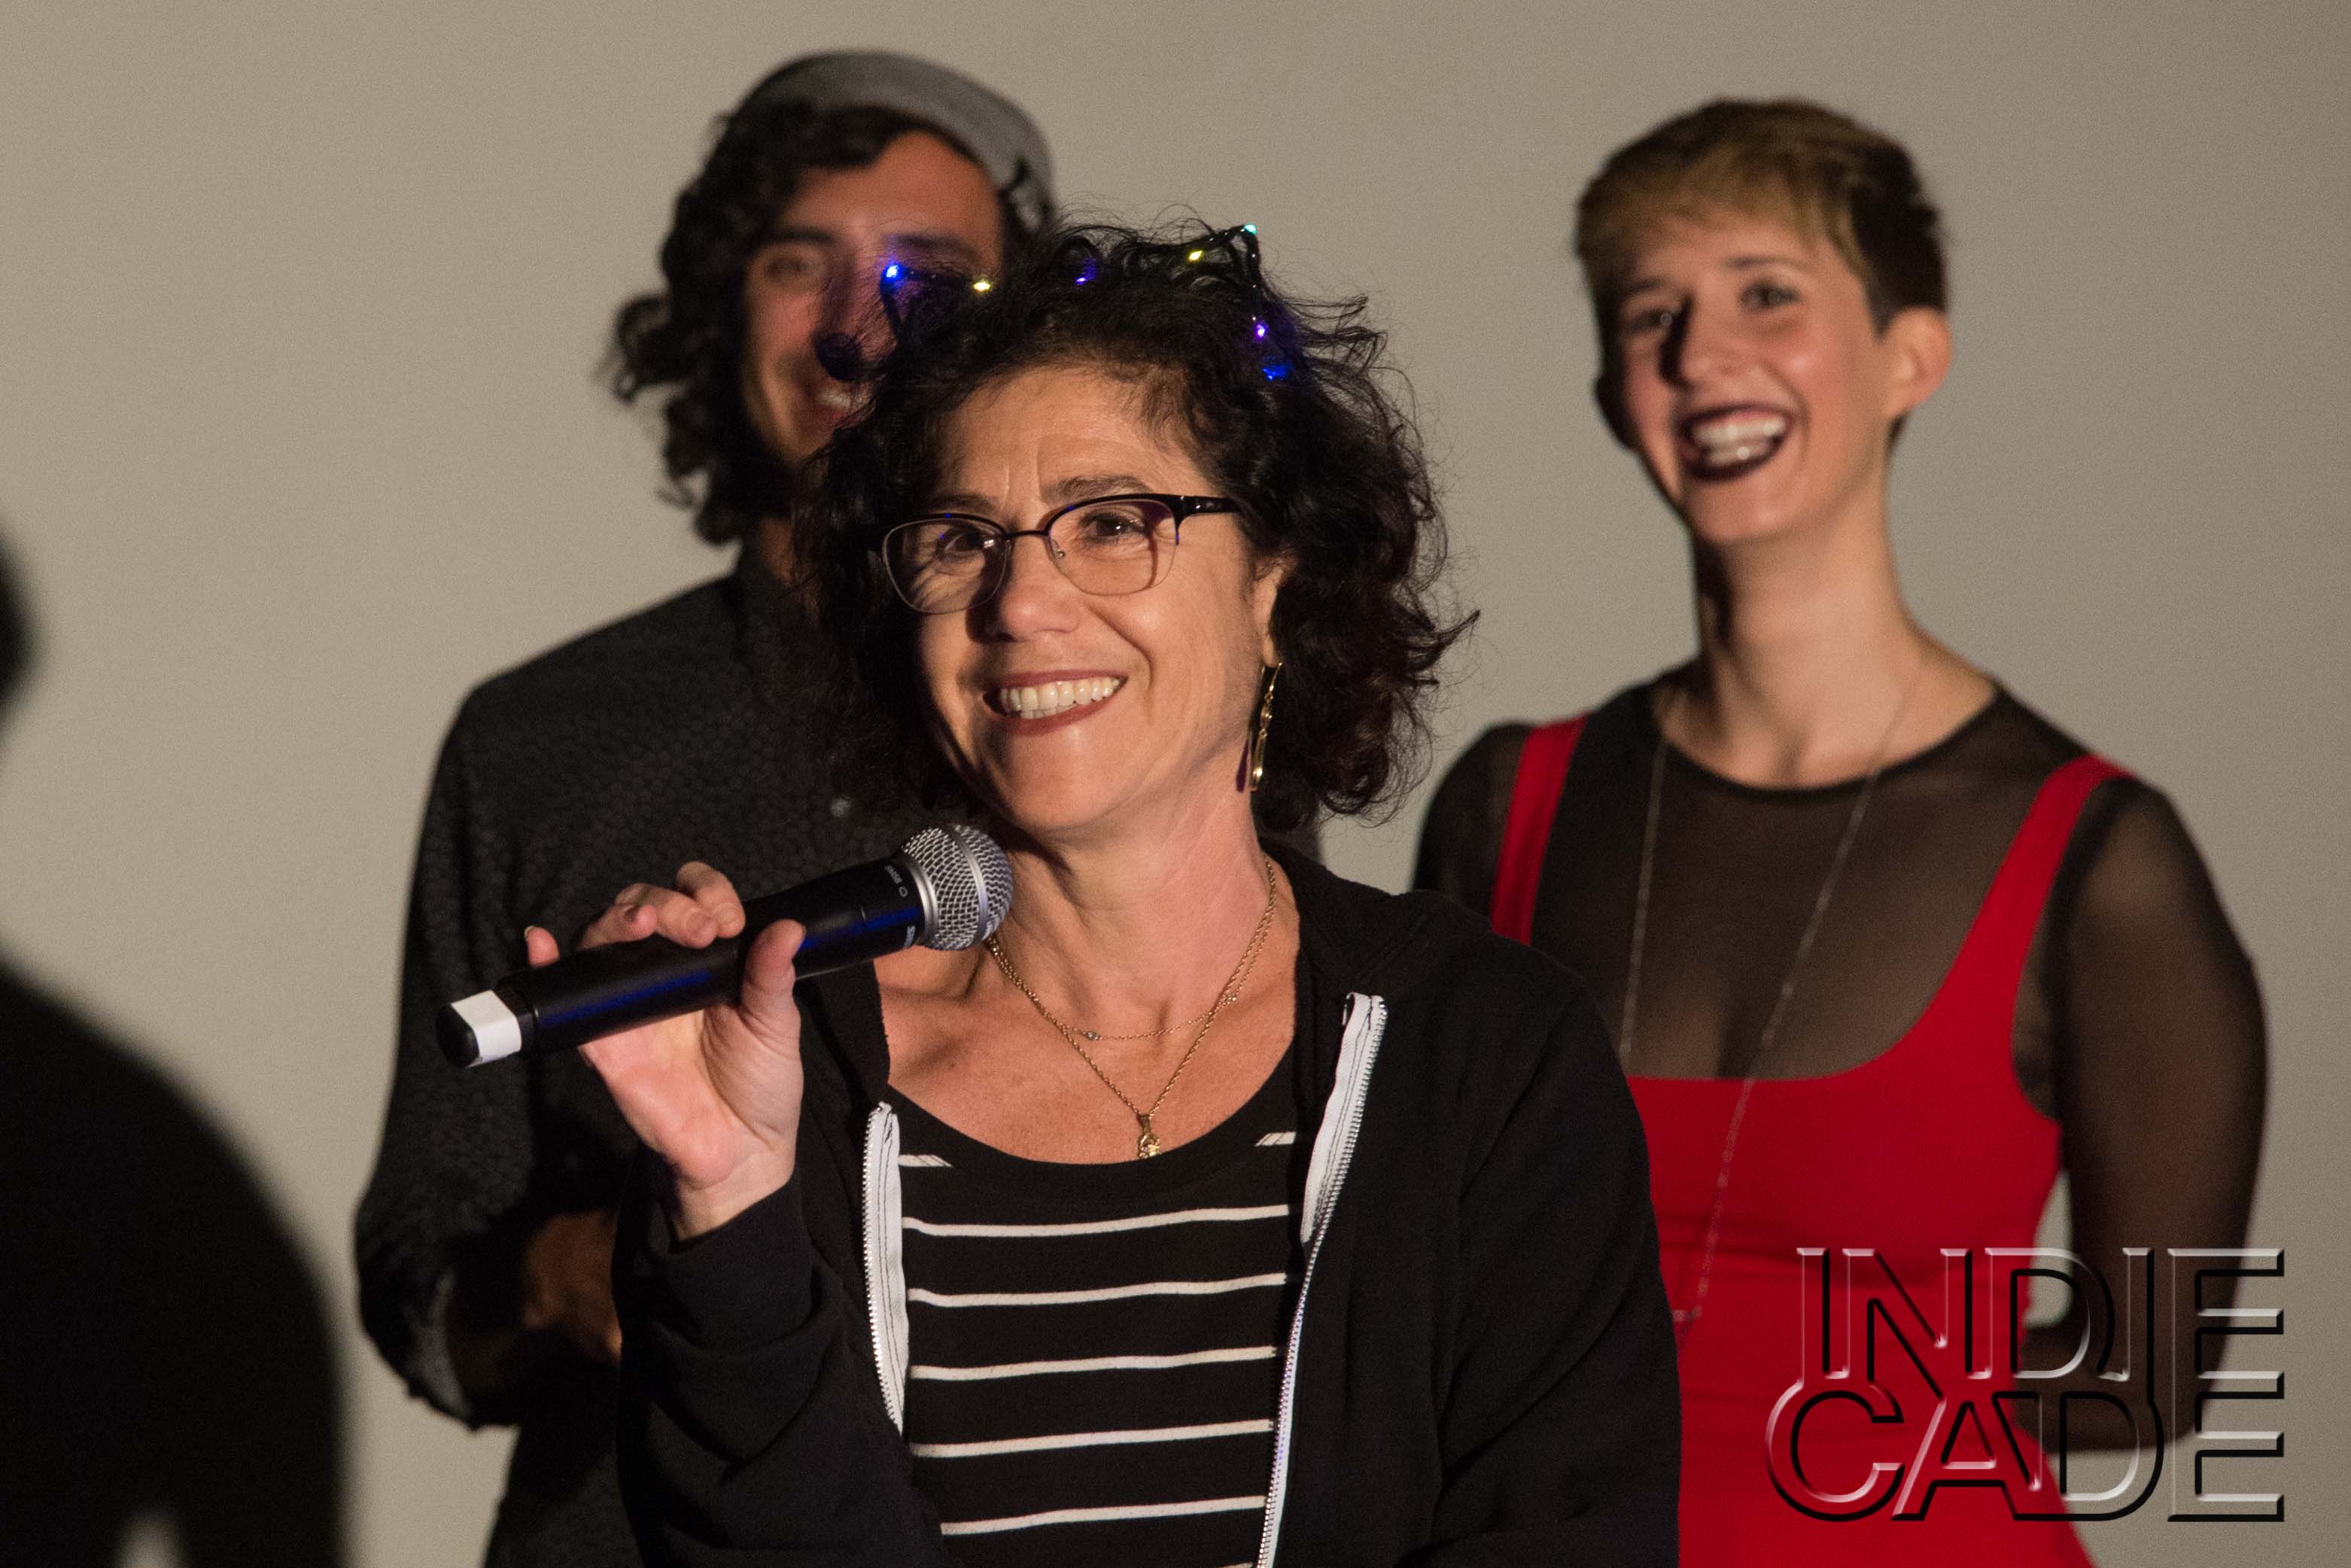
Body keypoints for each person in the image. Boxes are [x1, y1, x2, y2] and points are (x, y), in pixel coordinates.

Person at [549, 222, 1680, 1566]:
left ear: (1277, 584)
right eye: (963, 540)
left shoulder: (1480, 1051)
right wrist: (729, 1205)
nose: (1022, 603)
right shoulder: (805, 1079)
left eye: (1110, 524)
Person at [1416, 100, 2266, 1563]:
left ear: (1907, 355)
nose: (1700, 355)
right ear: (1617, 396)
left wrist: (1825, 1429)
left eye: (1765, 293)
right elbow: (1411, 1282)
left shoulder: (2095, 860)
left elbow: (2148, 1380)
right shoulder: (1507, 804)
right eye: (1650, 314)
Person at [354, 53, 1055, 1567]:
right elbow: (422, 1253)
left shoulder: (1105, 714)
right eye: (798, 263)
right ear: (718, 316)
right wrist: (559, 1275)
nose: (857, 319)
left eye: (922, 272)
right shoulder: (542, 739)